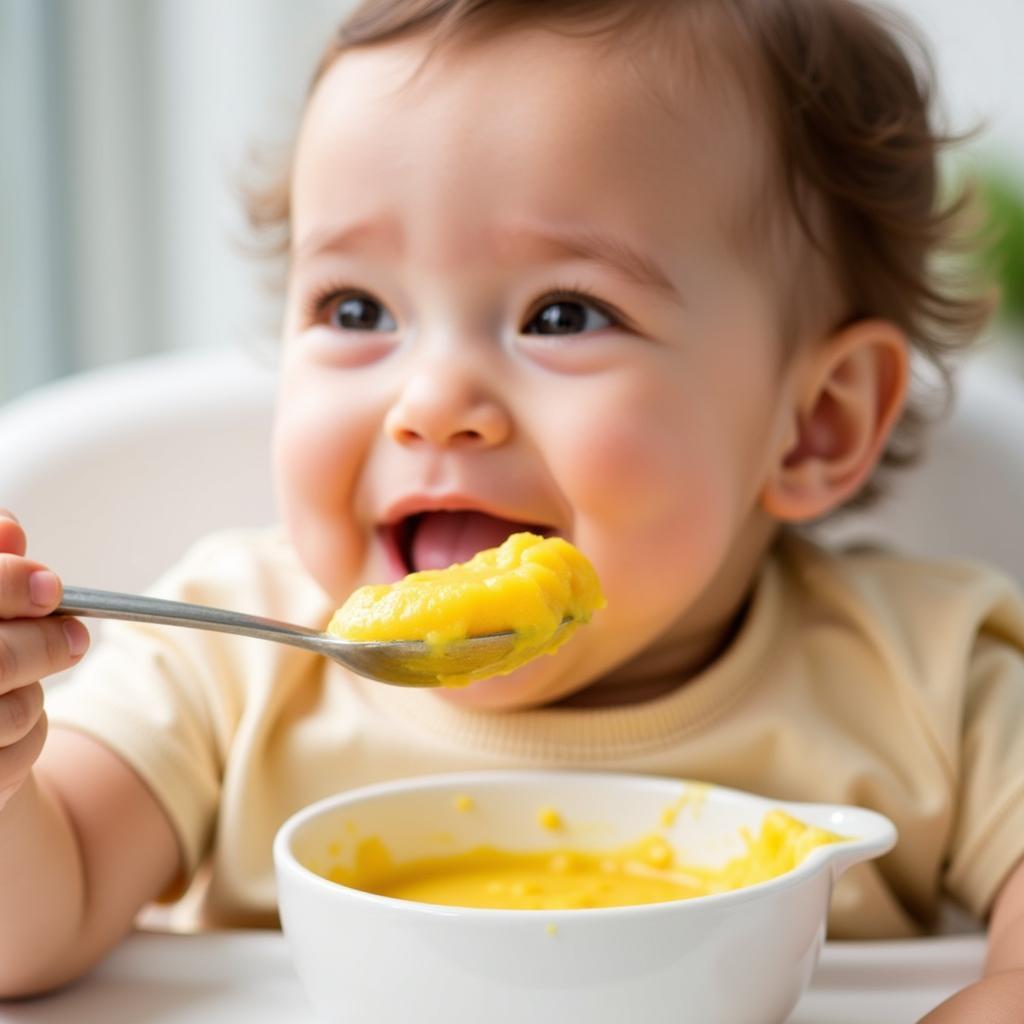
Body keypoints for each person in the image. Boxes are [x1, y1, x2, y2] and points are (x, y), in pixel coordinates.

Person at [0, 0, 1020, 1017]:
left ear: (814, 425)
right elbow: (33, 924)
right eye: (357, 308)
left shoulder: (929, 683)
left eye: (563, 314)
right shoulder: (229, 663)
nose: (432, 401)